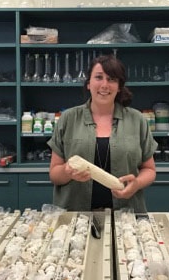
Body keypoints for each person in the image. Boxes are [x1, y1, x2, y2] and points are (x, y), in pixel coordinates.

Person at [47, 54, 158, 212]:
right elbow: (54, 174)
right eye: (98, 77)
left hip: (125, 216)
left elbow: (150, 169)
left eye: (112, 79)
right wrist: (67, 172)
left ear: (119, 86)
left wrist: (137, 184)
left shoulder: (136, 119)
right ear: (88, 83)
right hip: (76, 216)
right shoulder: (68, 118)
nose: (104, 85)